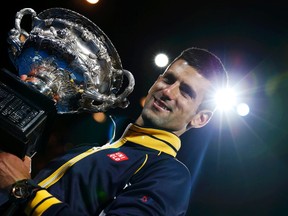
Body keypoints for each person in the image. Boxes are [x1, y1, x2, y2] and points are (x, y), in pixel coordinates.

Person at [0, 47, 228, 216]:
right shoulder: (91, 149)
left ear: (200, 118)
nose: (168, 91)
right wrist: (24, 100)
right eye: (168, 79)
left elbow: (21, 190)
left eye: (186, 92)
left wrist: (22, 189)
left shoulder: (169, 174)